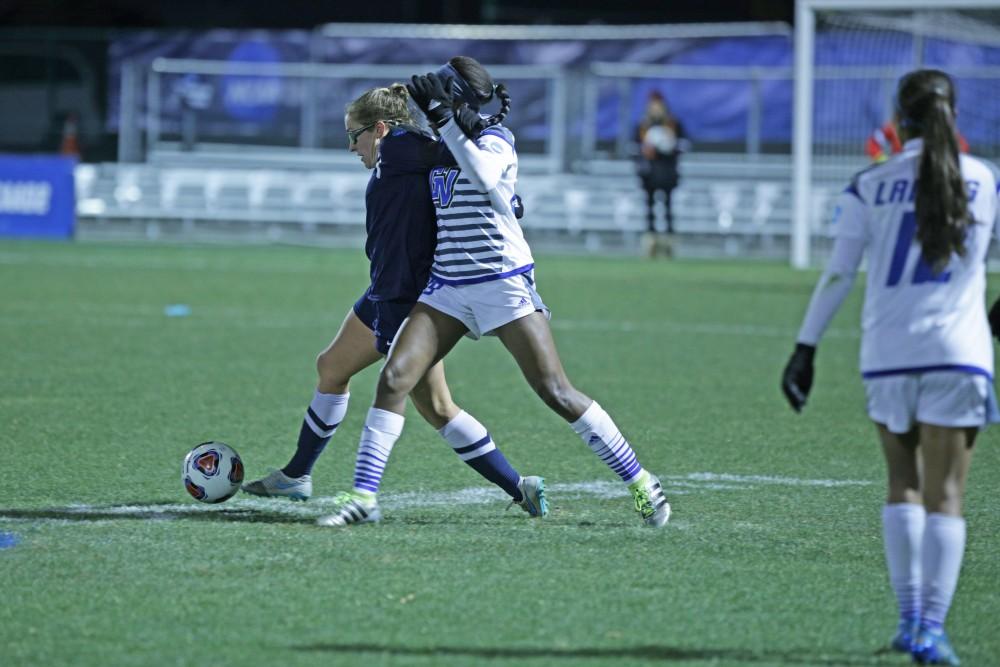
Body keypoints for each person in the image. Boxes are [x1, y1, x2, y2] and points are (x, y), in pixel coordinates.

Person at [317, 56, 670, 529]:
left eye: (443, 92)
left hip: (501, 283)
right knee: (395, 376)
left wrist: (448, 122)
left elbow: (484, 176)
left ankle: (641, 481)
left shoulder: (496, 140)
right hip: (447, 285)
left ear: (458, 97)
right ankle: (364, 496)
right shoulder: (438, 144)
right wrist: (435, 127)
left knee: (556, 391)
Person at [243, 83, 547, 523]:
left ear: (381, 128)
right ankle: (297, 475)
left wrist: (506, 195)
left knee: (437, 408)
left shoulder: (405, 146)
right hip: (383, 290)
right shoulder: (395, 154)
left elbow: (459, 159)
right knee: (331, 366)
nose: (351, 147)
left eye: (355, 135)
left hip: (408, 298)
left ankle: (519, 487)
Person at [781, 69, 999, 665]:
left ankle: (909, 620)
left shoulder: (869, 183)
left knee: (902, 484)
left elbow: (837, 276)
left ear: (898, 119)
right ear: (952, 115)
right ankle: (931, 628)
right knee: (947, 495)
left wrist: (805, 347)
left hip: (887, 357)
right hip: (959, 356)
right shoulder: (983, 179)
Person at [636, 91, 686, 257]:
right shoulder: (643, 126)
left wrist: (668, 149)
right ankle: (651, 239)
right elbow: (636, 148)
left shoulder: (673, 124)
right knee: (649, 205)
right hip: (649, 173)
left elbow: (682, 145)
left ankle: (669, 241)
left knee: (668, 206)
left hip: (667, 172)